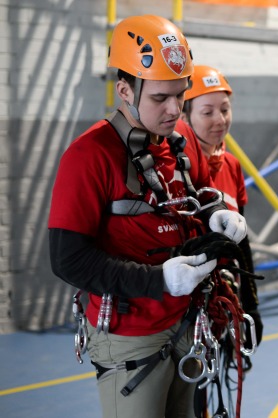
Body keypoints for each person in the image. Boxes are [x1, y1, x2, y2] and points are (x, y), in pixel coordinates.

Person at [48, 15, 248, 418]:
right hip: (131, 336)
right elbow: (68, 259)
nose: (176, 109)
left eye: (180, 94)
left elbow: (197, 195)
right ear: (125, 89)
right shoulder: (89, 156)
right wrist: (158, 280)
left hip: (187, 322)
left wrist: (216, 215)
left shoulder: (178, 145)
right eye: (160, 98)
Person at [178, 65, 263, 344]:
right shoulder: (175, 168)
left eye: (224, 109)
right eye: (207, 112)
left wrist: (251, 307)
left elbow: (243, 242)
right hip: (185, 301)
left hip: (225, 294)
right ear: (185, 115)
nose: (219, 120)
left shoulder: (232, 165)